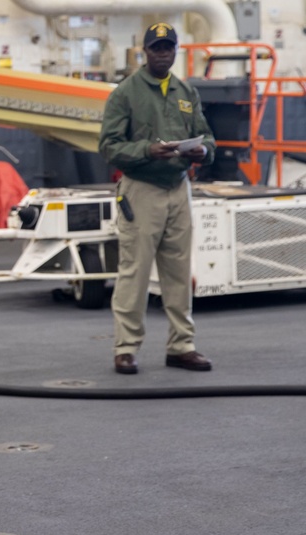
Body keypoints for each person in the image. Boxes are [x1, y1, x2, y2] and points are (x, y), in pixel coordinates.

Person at [99, 22, 216, 375]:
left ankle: (181, 346)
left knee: (179, 272)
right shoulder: (125, 93)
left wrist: (203, 152)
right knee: (134, 272)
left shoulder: (186, 91)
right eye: (156, 48)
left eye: (168, 47)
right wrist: (147, 150)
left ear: (175, 50)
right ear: (145, 51)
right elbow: (109, 146)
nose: (162, 53)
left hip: (179, 188)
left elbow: (207, 136)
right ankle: (126, 347)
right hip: (142, 190)